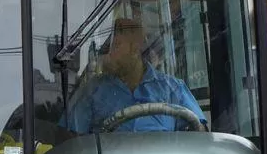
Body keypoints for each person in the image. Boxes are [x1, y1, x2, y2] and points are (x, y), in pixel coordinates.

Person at [63, 17, 206, 134]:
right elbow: (69, 139)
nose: (108, 55)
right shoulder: (93, 91)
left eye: (116, 46)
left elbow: (200, 136)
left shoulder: (173, 89)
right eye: (106, 48)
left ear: (135, 48)